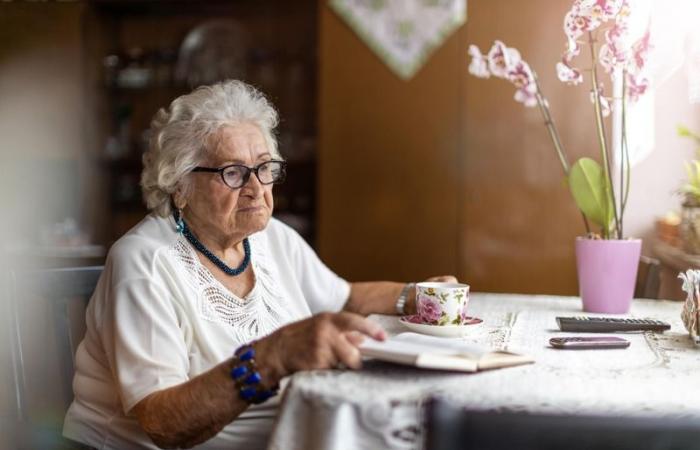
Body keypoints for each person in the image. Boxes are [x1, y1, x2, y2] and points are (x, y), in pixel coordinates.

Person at [63, 80, 457, 449]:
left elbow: (346, 299)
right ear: (179, 186)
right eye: (232, 172)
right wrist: (273, 356)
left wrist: (419, 297)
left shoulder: (272, 238)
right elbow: (163, 423)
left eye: (264, 168)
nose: (256, 188)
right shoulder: (144, 262)